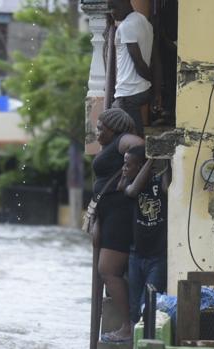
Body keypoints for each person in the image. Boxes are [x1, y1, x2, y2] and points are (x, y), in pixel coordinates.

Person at [92, 108, 144, 343]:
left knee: (108, 271)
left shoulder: (122, 140)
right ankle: (130, 323)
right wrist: (96, 222)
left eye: (101, 128)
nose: (97, 131)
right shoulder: (110, 147)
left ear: (114, 130)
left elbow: (141, 145)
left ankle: (129, 325)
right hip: (109, 216)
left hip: (120, 216)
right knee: (110, 271)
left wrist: (128, 179)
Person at [117, 145, 170, 325]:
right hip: (136, 256)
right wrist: (151, 159)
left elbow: (167, 184)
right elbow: (131, 191)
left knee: (147, 306)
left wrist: (161, 158)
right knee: (134, 309)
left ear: (140, 166)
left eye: (127, 165)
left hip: (158, 258)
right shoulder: (129, 185)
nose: (124, 168)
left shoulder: (159, 182)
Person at [108, 0, 162, 137]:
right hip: (142, 91)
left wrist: (150, 80)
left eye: (113, 7)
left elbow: (138, 62)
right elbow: (155, 60)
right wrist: (155, 90)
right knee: (120, 132)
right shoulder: (145, 23)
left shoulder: (126, 26)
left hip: (128, 94)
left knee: (133, 140)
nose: (111, 13)